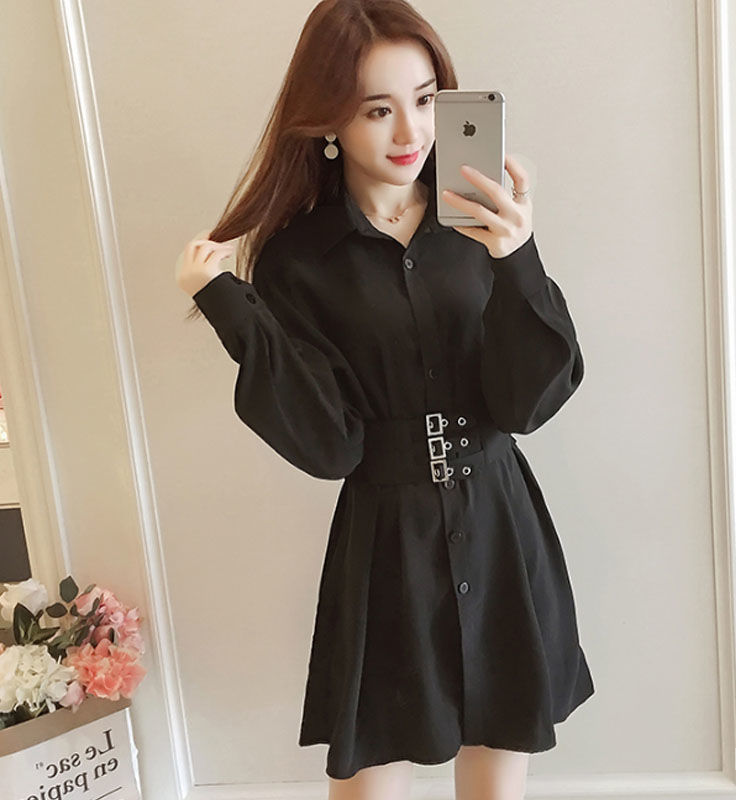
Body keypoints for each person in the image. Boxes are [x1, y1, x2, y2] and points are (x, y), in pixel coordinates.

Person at [175, 1, 594, 797]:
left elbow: (528, 403)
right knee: (370, 780)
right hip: (386, 543)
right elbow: (331, 442)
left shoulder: (482, 224)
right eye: (377, 109)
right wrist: (229, 307)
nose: (412, 131)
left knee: (499, 769)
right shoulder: (298, 260)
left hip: (500, 525)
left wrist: (518, 259)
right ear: (330, 120)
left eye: (426, 99)